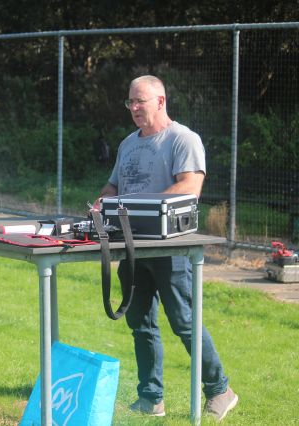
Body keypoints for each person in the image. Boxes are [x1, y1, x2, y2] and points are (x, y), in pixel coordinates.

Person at [95, 75, 238, 421]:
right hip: (132, 248)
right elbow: (113, 187)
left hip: (170, 248)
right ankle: (151, 398)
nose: (133, 108)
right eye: (130, 102)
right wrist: (101, 203)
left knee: (184, 321)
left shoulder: (183, 139)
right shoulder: (127, 144)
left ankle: (220, 390)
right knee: (140, 322)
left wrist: (137, 206)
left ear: (160, 101)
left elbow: (189, 188)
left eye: (140, 101)